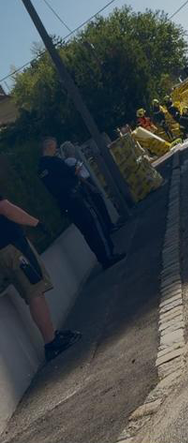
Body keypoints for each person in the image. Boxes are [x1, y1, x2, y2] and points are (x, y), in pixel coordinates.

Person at [0, 193, 81, 363]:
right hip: (13, 246)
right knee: (36, 291)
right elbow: (6, 209)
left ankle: (52, 335)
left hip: (5, 251)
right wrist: (36, 222)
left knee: (33, 292)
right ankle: (51, 342)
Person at [38, 139, 125, 272]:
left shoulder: (41, 168)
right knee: (95, 226)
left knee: (87, 233)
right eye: (54, 146)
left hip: (66, 205)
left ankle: (102, 258)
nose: (56, 149)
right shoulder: (55, 162)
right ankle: (108, 255)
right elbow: (72, 172)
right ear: (49, 146)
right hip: (77, 198)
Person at [60, 140, 117, 241]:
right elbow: (78, 175)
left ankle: (110, 224)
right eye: (71, 147)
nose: (73, 148)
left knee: (101, 203)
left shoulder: (73, 159)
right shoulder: (70, 161)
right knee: (98, 205)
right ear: (68, 150)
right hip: (85, 183)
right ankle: (108, 226)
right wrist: (90, 185)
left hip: (87, 181)